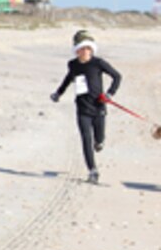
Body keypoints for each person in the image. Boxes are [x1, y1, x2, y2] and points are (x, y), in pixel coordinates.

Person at [49, 30, 122, 184]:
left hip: (99, 106)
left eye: (88, 48)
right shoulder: (73, 64)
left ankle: (99, 142)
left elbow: (117, 76)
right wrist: (58, 93)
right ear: (76, 50)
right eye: (82, 49)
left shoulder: (98, 63)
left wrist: (109, 94)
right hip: (82, 109)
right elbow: (68, 79)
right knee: (85, 138)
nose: (85, 51)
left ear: (92, 49)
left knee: (99, 137)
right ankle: (92, 171)